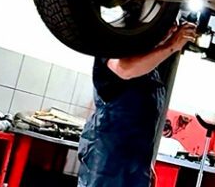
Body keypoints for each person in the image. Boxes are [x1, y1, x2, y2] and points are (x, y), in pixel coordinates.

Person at [77, 23, 199, 187]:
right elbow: (125, 68)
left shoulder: (150, 73)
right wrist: (171, 45)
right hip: (107, 161)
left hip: (135, 164)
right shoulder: (113, 49)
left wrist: (144, 165)